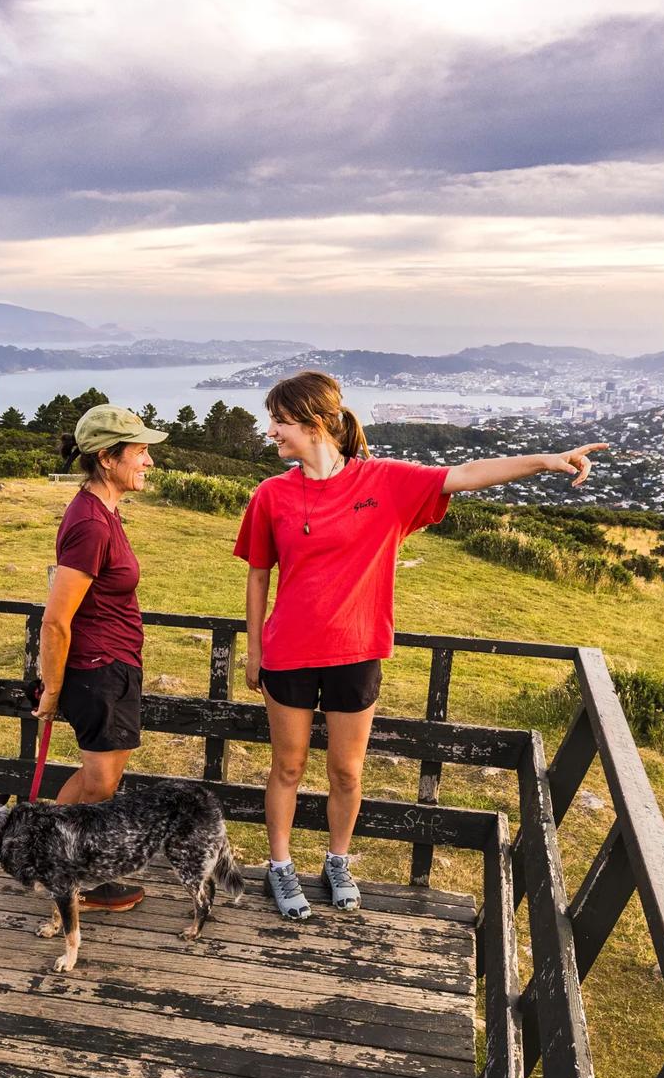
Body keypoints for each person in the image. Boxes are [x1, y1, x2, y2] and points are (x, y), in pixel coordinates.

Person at [233, 370, 605, 920]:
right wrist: (256, 651)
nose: (271, 431)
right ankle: (281, 866)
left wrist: (545, 460)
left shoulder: (383, 482)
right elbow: (259, 574)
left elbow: (467, 474)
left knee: (347, 772)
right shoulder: (272, 494)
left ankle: (338, 860)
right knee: (286, 768)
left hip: (357, 651)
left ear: (313, 423)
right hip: (288, 652)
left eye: (279, 421)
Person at [32, 404, 167, 911]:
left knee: (97, 780)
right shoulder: (90, 522)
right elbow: (55, 619)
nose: (149, 461)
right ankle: (68, 878)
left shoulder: (104, 510)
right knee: (101, 783)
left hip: (112, 667)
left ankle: (55, 863)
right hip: (97, 671)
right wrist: (51, 690)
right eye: (140, 451)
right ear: (107, 458)